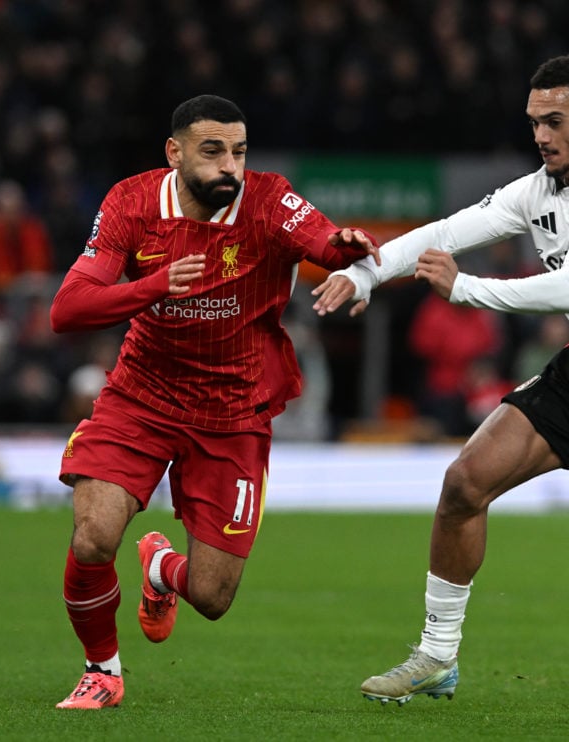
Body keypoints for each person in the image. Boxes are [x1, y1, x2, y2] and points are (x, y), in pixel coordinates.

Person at [313, 53, 569, 704]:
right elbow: (448, 229)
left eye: (555, 121)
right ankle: (437, 656)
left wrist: (466, 288)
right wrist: (365, 272)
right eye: (534, 122)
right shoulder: (540, 190)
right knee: (463, 485)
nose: (541, 135)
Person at [50, 94, 379, 709]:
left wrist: (351, 253)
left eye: (239, 151)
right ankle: (103, 670)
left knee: (212, 597)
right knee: (93, 536)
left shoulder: (266, 198)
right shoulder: (132, 201)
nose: (230, 165)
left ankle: (160, 570)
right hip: (141, 398)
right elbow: (67, 308)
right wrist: (150, 287)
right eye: (213, 151)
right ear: (174, 153)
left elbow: (327, 241)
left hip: (233, 413)